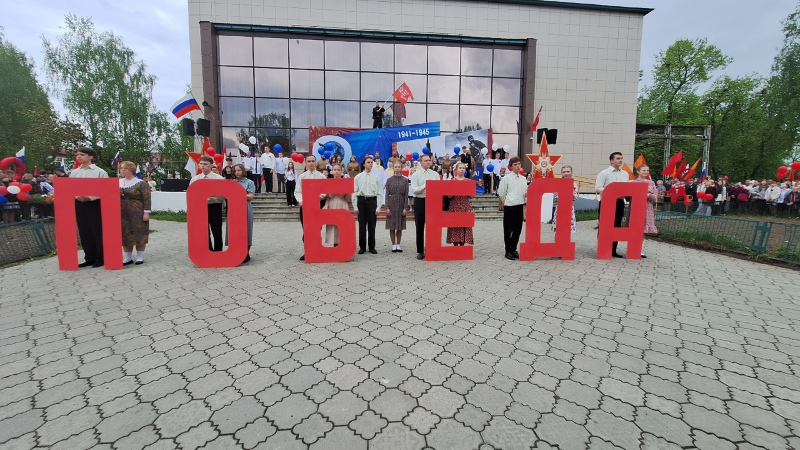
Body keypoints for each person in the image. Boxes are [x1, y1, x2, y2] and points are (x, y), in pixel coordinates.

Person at [70, 147, 110, 268]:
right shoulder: (75, 172)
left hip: (94, 204)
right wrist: (77, 196)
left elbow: (105, 189)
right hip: (79, 203)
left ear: (91, 157)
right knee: (84, 231)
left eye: (82, 154)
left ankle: (100, 257)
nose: (79, 156)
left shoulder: (100, 172)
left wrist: (90, 197)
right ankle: (89, 257)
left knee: (97, 231)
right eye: (77, 154)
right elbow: (70, 187)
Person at [595, 151, 629, 258]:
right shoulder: (604, 173)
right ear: (611, 161)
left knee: (617, 225)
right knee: (604, 225)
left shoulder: (625, 174)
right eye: (618, 158)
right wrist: (612, 191)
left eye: (621, 158)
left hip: (619, 202)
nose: (620, 160)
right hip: (607, 202)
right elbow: (598, 188)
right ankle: (603, 249)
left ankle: (613, 250)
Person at [190, 155, 225, 252]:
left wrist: (207, 199)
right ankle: (208, 251)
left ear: (211, 165)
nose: (202, 166)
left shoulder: (219, 179)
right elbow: (192, 195)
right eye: (201, 164)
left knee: (217, 230)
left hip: (215, 207)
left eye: (205, 164)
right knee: (204, 231)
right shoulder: (195, 180)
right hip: (200, 208)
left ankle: (218, 252)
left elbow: (221, 196)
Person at [119, 161, 151, 265]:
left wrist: (146, 213)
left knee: (139, 232)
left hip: (137, 210)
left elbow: (147, 198)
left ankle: (140, 256)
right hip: (122, 211)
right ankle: (128, 257)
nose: (123, 170)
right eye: (121, 168)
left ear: (131, 170)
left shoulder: (140, 183)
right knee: (125, 233)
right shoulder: (118, 182)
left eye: (125, 168)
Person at [295, 154, 326, 261]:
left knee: (317, 229)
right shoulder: (302, 177)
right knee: (307, 230)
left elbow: (325, 190)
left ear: (316, 163)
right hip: (305, 207)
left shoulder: (321, 177)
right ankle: (307, 251)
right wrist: (301, 201)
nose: (311, 163)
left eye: (313, 161)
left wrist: (321, 196)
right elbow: (297, 192)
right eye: (309, 161)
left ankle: (318, 251)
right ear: (306, 163)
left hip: (318, 206)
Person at [411, 154, 440, 260]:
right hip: (420, 201)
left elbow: (439, 188)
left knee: (433, 226)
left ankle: (432, 249)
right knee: (419, 227)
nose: (428, 162)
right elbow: (414, 190)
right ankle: (420, 251)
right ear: (420, 162)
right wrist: (426, 185)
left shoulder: (435, 174)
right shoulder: (416, 175)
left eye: (429, 160)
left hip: (432, 201)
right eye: (425, 160)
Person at [497, 157, 527, 260]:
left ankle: (514, 249)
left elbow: (525, 192)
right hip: (510, 206)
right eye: (515, 165)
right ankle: (508, 251)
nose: (518, 166)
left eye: (519, 164)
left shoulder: (523, 179)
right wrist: (507, 202)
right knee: (508, 230)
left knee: (517, 230)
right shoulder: (506, 178)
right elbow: (502, 193)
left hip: (519, 206)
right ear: (511, 167)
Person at [353, 155, 383, 254]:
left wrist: (378, 207)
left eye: (371, 162)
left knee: (372, 225)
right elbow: (354, 192)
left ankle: (371, 246)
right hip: (361, 201)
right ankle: (362, 247)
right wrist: (355, 206)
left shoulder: (376, 178)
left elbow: (379, 193)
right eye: (368, 162)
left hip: (372, 201)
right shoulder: (358, 177)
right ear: (364, 164)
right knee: (362, 226)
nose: (370, 164)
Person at [446, 162, 474, 246]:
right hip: (455, 205)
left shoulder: (468, 181)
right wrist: (455, 189)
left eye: (463, 168)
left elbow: (472, 196)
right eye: (460, 168)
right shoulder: (452, 181)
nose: (462, 169)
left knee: (464, 224)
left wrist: (466, 189)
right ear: (456, 170)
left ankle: (462, 245)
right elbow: (449, 196)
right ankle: (455, 245)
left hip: (465, 205)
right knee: (455, 225)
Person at [323, 163, 351, 247]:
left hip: (342, 204)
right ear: (332, 171)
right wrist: (326, 205)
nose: (336, 171)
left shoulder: (345, 182)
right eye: (335, 170)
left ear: (341, 171)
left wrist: (348, 191)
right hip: (332, 204)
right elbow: (327, 197)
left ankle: (344, 245)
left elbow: (348, 198)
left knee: (343, 225)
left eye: (338, 170)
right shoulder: (328, 182)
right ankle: (335, 245)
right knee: (333, 225)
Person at [632, 165, 658, 257]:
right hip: (635, 207)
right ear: (638, 171)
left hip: (647, 208)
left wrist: (647, 195)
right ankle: (632, 248)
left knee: (642, 229)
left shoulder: (651, 183)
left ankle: (638, 249)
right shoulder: (632, 182)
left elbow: (655, 196)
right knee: (634, 228)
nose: (646, 172)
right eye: (643, 170)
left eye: (647, 170)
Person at [384, 161, 409, 253]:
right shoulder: (389, 180)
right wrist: (387, 207)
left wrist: (405, 207)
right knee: (392, 225)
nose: (397, 168)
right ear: (393, 168)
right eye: (396, 167)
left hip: (401, 202)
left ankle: (398, 244)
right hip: (392, 203)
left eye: (399, 167)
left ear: (401, 168)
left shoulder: (405, 180)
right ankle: (393, 244)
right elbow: (387, 194)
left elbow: (406, 195)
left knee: (399, 226)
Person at [233, 163, 255, 263]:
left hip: (245, 207)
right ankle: (235, 251)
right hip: (234, 208)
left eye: (239, 170)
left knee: (247, 229)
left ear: (243, 171)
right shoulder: (232, 182)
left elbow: (251, 196)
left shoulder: (249, 182)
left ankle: (246, 253)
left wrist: (238, 193)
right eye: (235, 171)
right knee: (235, 230)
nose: (237, 172)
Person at [552, 165, 578, 233]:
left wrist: (570, 190)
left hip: (569, 209)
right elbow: (556, 197)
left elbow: (575, 198)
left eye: (568, 171)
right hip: (560, 209)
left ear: (571, 172)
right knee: (558, 231)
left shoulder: (574, 184)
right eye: (564, 172)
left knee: (568, 231)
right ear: (561, 173)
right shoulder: (558, 183)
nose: (566, 173)